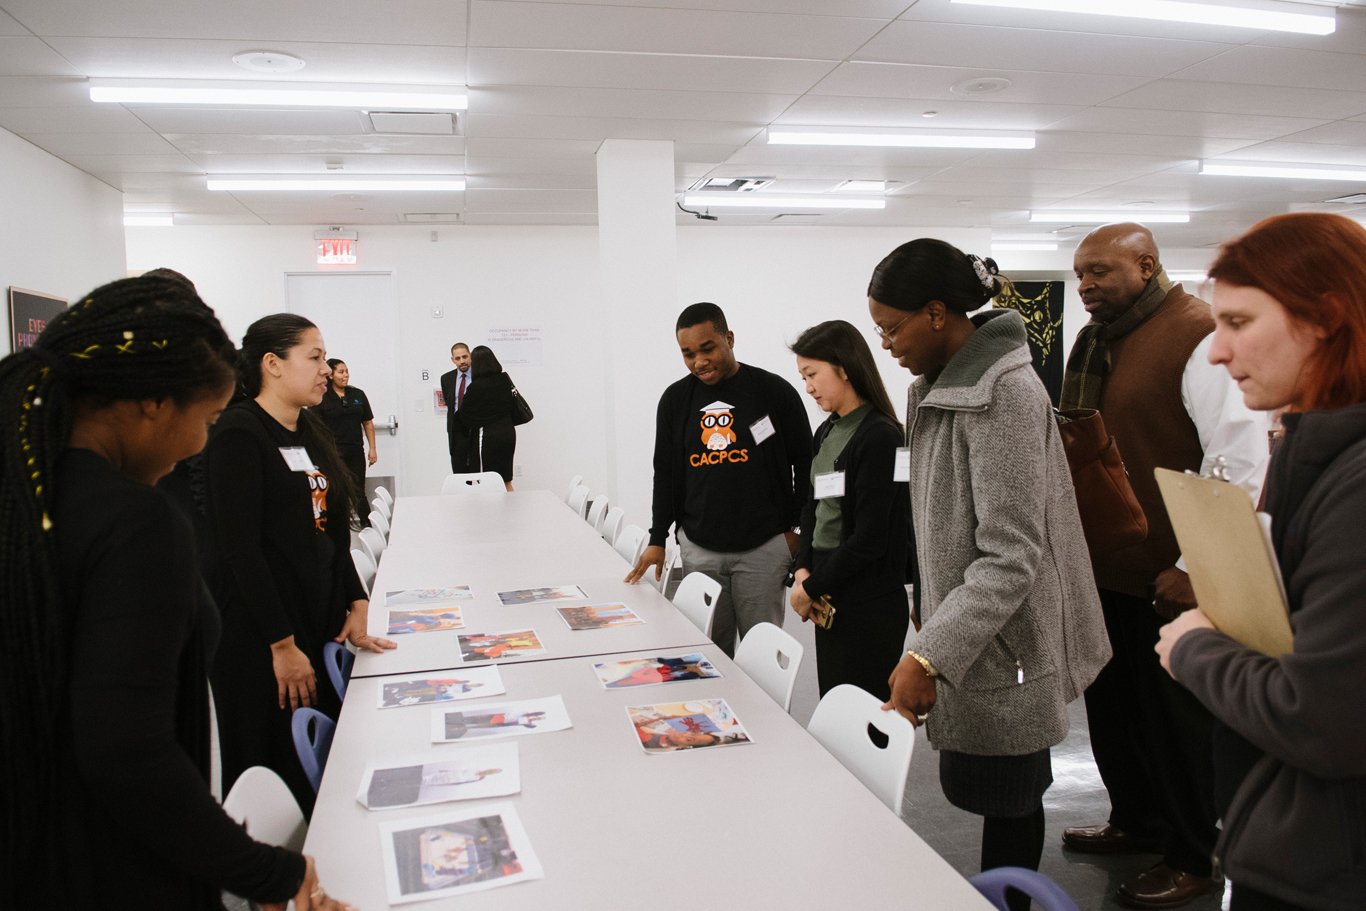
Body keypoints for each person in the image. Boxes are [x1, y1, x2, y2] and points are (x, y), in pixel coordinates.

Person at [0, 276, 353, 909]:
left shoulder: (28, 495)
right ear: (154, 405)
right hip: (99, 866)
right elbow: (129, 755)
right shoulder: (134, 523)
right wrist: (268, 872)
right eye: (207, 420)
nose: (201, 446)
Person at [870, 239, 1110, 907]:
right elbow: (941, 519)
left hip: (1012, 640)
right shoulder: (938, 387)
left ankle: (1012, 900)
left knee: (1011, 797)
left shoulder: (1004, 391)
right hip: (972, 627)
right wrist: (930, 602)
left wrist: (930, 653)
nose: (886, 342)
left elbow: (1010, 553)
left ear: (939, 313)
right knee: (991, 792)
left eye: (893, 327)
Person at [1154, 213, 1366, 911]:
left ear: (1327, 318)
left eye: (1239, 322)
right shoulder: (1314, 452)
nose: (1217, 352)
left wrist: (1195, 649)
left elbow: (1321, 716)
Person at [1060, 223, 1269, 908]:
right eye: (1080, 274)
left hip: (1167, 575)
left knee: (1176, 726)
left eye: (1099, 272)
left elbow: (1238, 462)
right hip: (1106, 563)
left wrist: (1191, 565)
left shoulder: (1198, 335)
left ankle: (1193, 852)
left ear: (1146, 265)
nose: (1086, 285)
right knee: (1116, 712)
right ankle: (1136, 819)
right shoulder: (1097, 340)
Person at [203, 313, 396, 814]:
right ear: (272, 363)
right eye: (313, 358)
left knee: (328, 767)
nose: (325, 371)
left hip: (314, 619)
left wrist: (356, 599)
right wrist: (281, 644)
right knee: (279, 760)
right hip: (265, 635)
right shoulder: (239, 433)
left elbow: (328, 530)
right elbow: (239, 550)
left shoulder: (307, 428)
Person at [624, 302, 814, 657]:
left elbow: (805, 464)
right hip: (701, 549)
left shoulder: (772, 392)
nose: (699, 361)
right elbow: (664, 472)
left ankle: (764, 715)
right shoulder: (676, 401)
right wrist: (657, 537)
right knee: (710, 656)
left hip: (764, 548)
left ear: (729, 338)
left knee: (762, 657)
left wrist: (797, 533)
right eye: (688, 354)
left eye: (707, 348)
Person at [787, 319, 909, 700]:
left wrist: (812, 586)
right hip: (829, 591)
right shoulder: (826, 431)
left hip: (867, 600)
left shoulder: (882, 436)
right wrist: (803, 567)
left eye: (812, 374)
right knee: (837, 705)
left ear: (843, 368)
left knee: (864, 711)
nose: (808, 387)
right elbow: (812, 506)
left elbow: (870, 538)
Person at [455, 345, 519, 491]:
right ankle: (512, 511)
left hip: (488, 437)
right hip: (508, 433)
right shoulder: (504, 380)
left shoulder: (475, 387)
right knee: (506, 480)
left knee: (486, 480)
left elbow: (465, 417)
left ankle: (490, 513)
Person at [315, 357, 377, 501]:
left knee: (358, 491)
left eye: (347, 372)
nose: (345, 375)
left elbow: (367, 422)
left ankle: (365, 522)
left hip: (355, 450)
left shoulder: (357, 394)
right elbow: (315, 427)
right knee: (336, 492)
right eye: (341, 372)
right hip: (333, 453)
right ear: (331, 375)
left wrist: (372, 448)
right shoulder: (322, 396)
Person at [440, 342, 473, 472]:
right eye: (458, 358)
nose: (462, 361)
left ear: (470, 356)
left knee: (478, 471)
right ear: (453, 360)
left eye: (465, 357)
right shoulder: (446, 378)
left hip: (475, 428)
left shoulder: (479, 376)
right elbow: (450, 403)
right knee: (459, 471)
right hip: (456, 430)